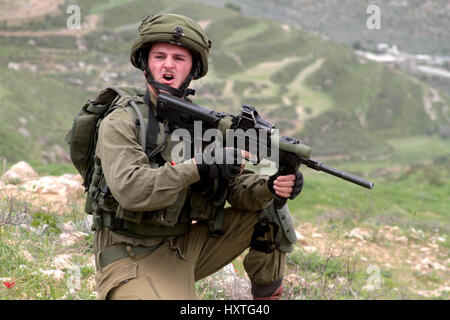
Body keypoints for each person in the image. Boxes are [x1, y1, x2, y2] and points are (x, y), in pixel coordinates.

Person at [91, 13, 303, 300]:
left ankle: (266, 298)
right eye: (159, 56)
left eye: (179, 58)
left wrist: (271, 187)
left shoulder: (202, 124)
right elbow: (132, 191)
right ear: (145, 64)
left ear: (192, 69)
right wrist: (199, 166)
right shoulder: (122, 120)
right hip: (128, 256)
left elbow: (240, 190)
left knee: (269, 210)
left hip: (183, 249)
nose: (168, 64)